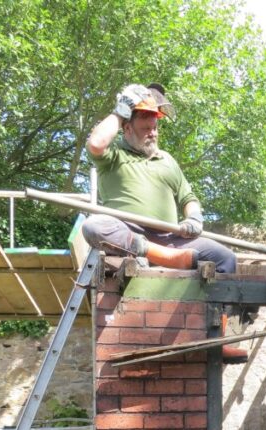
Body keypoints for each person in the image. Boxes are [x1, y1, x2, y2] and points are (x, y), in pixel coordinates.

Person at [83, 83, 247, 363]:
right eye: (145, 127)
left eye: (155, 127)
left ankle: (218, 340)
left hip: (173, 237)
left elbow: (188, 196)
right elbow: (96, 144)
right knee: (93, 226)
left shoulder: (167, 160)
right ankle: (168, 258)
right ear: (127, 129)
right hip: (129, 234)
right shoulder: (115, 155)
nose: (153, 133)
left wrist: (194, 217)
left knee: (225, 257)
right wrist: (120, 110)